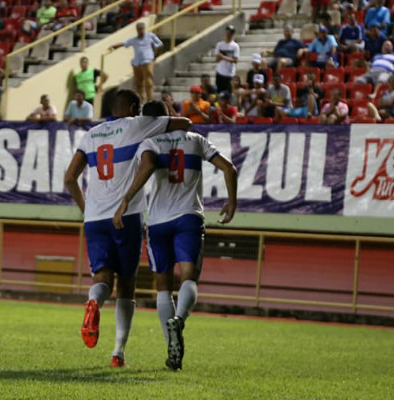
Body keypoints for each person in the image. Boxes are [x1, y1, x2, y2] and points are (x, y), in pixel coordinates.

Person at [63, 89, 192, 368]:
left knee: (102, 276)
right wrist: (167, 110)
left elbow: (70, 178)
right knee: (127, 285)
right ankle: (118, 352)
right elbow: (185, 124)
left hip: (94, 217)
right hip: (126, 215)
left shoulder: (91, 134)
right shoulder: (138, 123)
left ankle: (94, 302)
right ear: (134, 107)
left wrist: (87, 210)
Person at [112, 100, 236, 371]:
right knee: (189, 276)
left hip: (157, 222)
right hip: (189, 216)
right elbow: (229, 168)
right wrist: (232, 202)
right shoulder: (196, 140)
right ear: (168, 116)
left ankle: (172, 346)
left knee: (163, 287)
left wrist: (126, 200)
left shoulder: (150, 144)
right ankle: (179, 320)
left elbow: (145, 169)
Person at [110, 22, 163, 103]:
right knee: (138, 82)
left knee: (148, 80)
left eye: (142, 29)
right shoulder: (134, 39)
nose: (140, 31)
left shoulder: (150, 36)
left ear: (144, 29)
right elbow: (124, 43)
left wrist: (155, 56)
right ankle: (141, 100)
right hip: (137, 63)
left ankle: (150, 99)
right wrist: (113, 46)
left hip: (147, 60)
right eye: (139, 29)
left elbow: (160, 45)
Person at [214, 25, 240, 94]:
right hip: (220, 72)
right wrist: (223, 58)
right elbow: (217, 59)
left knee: (229, 93)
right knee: (219, 92)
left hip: (230, 74)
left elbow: (235, 60)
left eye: (230, 33)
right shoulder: (220, 45)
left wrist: (223, 57)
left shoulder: (235, 46)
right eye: (227, 32)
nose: (228, 35)